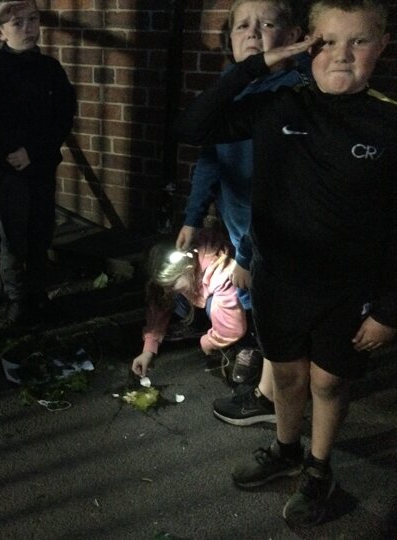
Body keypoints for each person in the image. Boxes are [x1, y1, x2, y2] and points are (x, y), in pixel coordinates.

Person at [176, 0, 397, 527]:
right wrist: (260, 65)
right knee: (288, 375)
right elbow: (192, 126)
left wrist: (390, 309)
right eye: (327, 42)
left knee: (328, 383)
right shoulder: (280, 104)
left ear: (383, 46)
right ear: (305, 45)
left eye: (359, 41)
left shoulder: (390, 121)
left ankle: (319, 469)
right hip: (278, 280)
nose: (342, 55)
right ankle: (286, 449)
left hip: (350, 290)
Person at [177, 0, 308, 397]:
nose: (252, 32)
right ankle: (252, 343)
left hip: (272, 229)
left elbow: (281, 188)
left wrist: (248, 254)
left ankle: (273, 377)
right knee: (249, 291)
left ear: (292, 36)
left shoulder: (294, 93)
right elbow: (210, 157)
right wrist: (193, 216)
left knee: (273, 297)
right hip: (238, 221)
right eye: (242, 26)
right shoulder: (229, 92)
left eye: (266, 24)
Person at [0, 0, 77, 324]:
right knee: (13, 237)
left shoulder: (50, 68)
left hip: (41, 166)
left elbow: (63, 117)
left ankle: (38, 294)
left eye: (33, 19)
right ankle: (17, 300)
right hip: (10, 172)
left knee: (40, 234)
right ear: (0, 32)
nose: (28, 28)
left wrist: (33, 151)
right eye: (17, 22)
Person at [132, 229, 247, 378]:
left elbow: (232, 327)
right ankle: (199, 325)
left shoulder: (221, 272)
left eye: (171, 284)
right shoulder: (178, 267)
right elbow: (159, 300)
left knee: (212, 305)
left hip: (240, 305)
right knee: (167, 293)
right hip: (197, 289)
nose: (167, 290)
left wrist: (209, 341)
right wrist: (148, 349)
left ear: (187, 268)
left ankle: (249, 345)